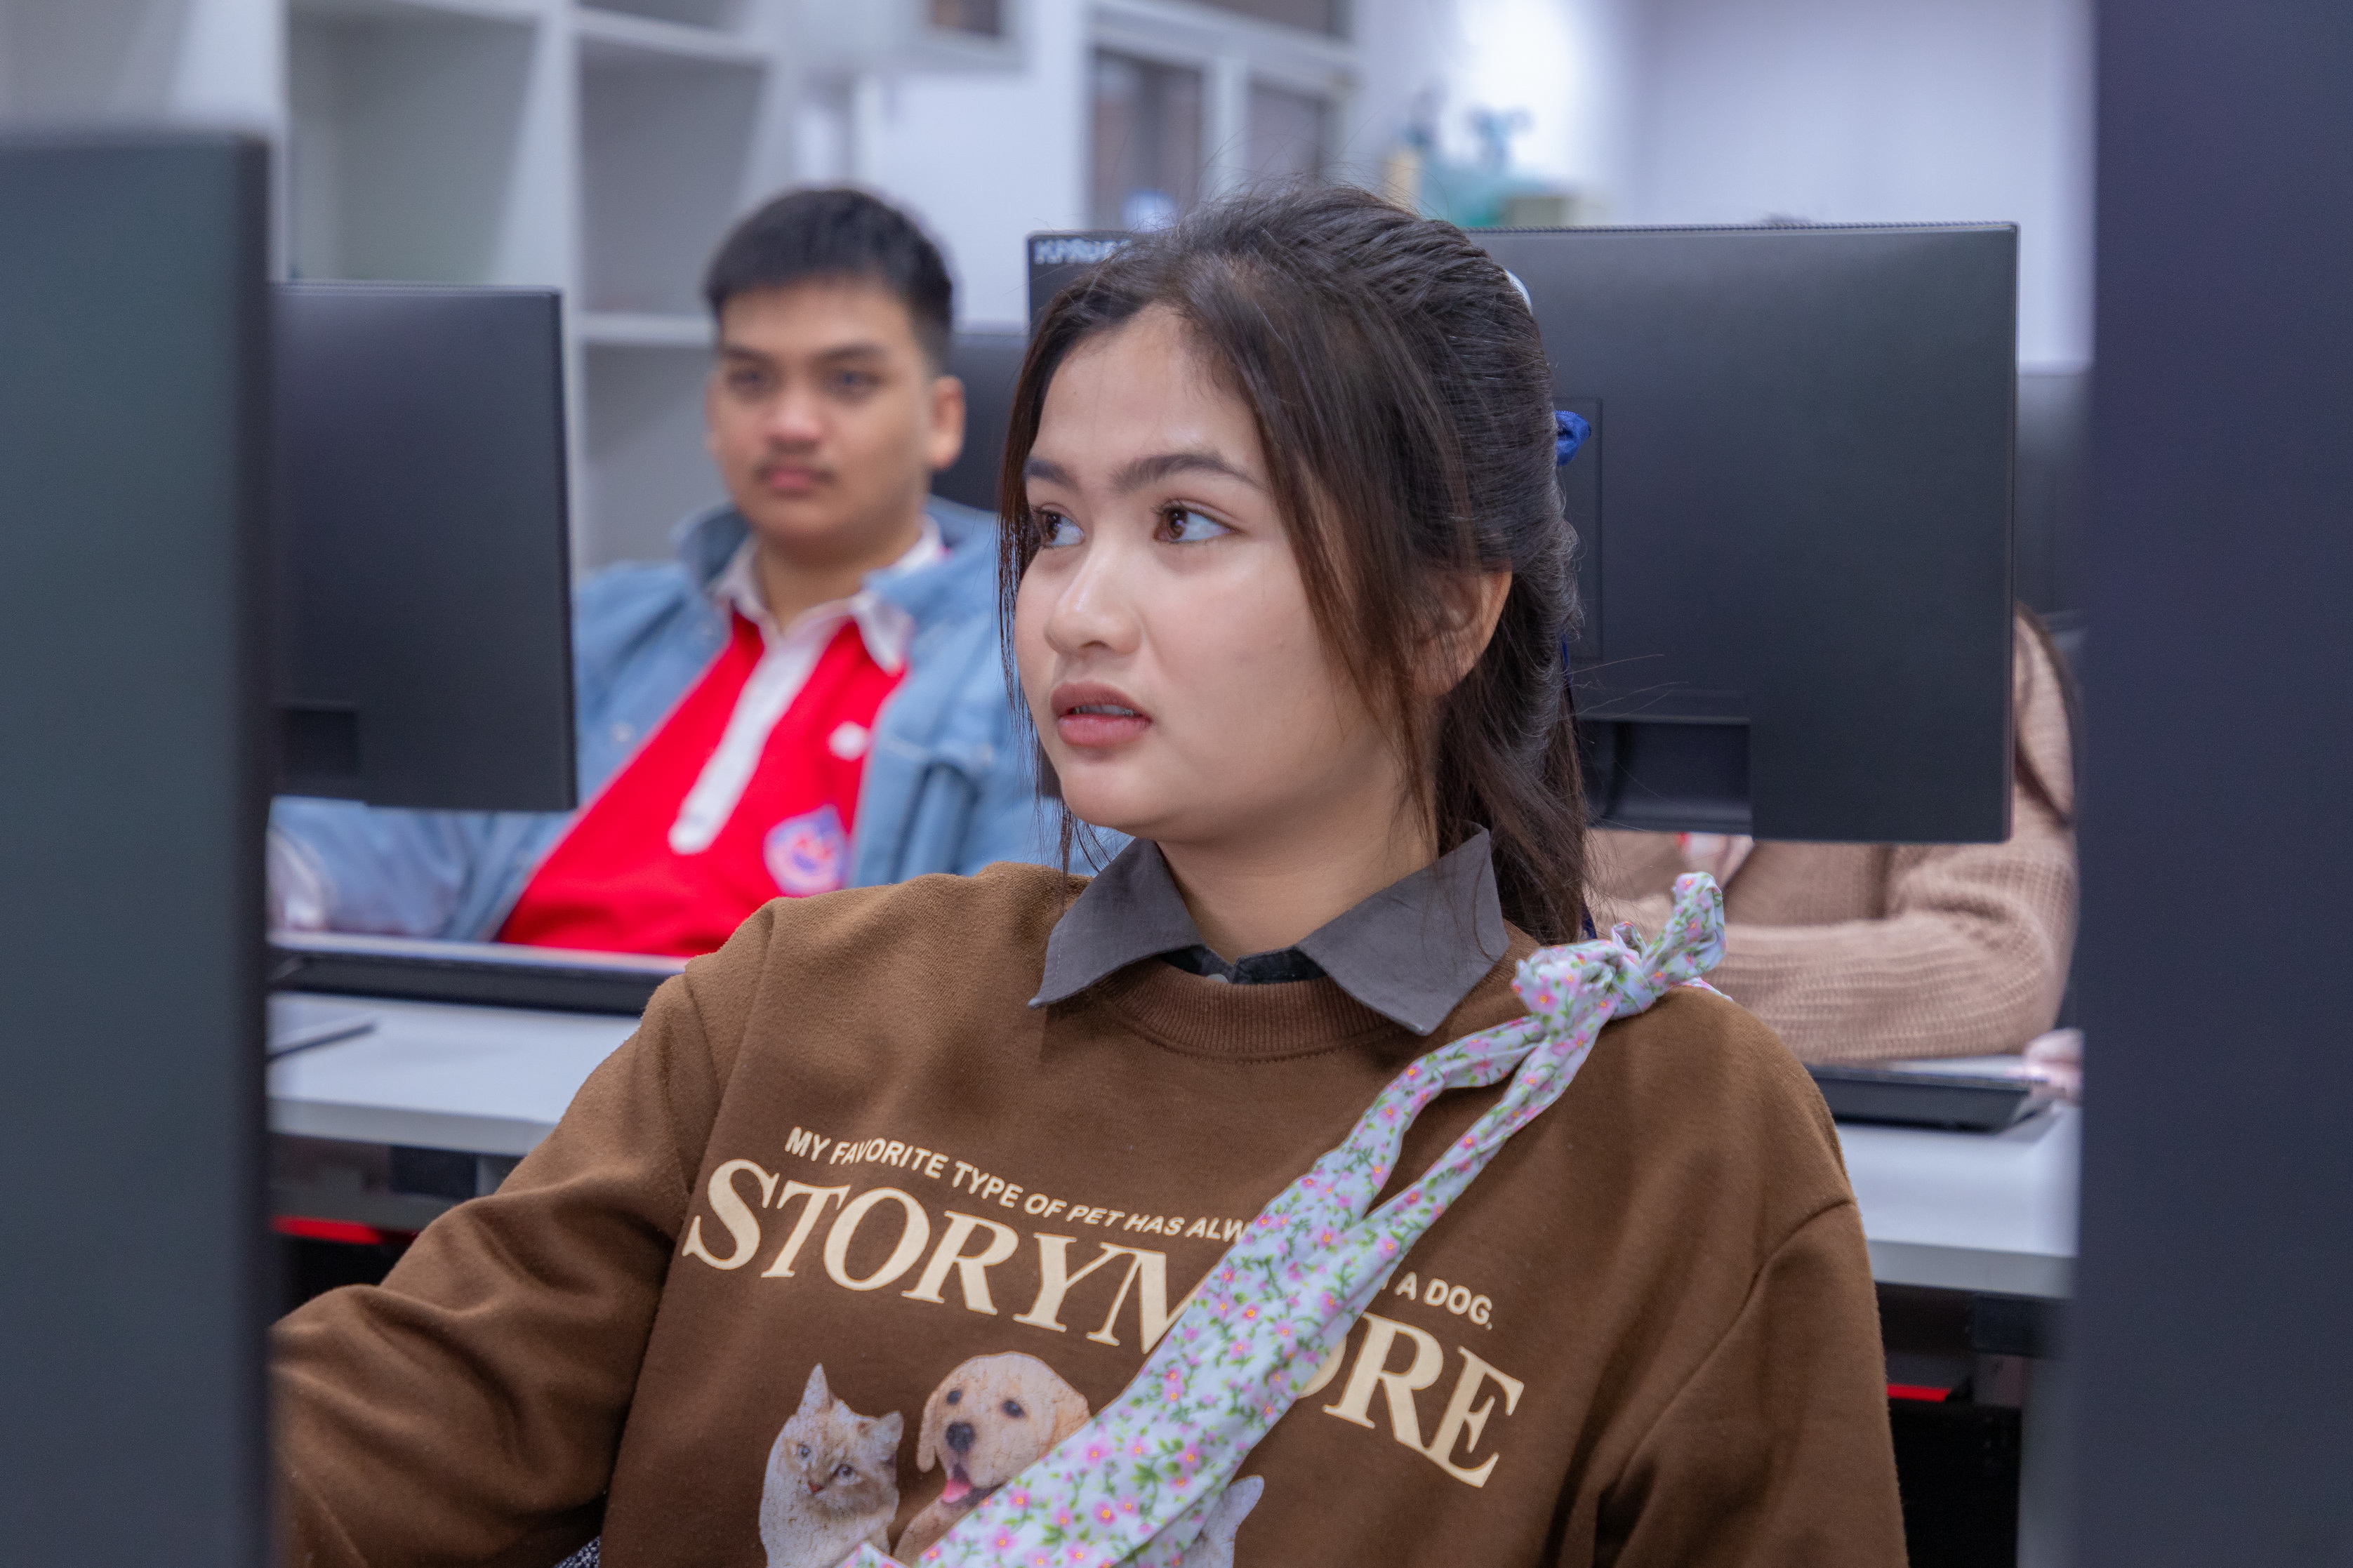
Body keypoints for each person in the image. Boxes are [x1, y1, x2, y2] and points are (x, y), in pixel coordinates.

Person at [272, 187, 1905, 1566]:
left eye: (1184, 522)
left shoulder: (1673, 1139)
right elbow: (387, 1420)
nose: (1073, 610)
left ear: (1443, 614)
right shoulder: (800, 998)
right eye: (1053, 525)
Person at [269, 188, 1054, 957]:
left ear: (942, 419)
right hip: (495, 1022)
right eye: (752, 380)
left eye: (848, 381)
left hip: (771, 1045)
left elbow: (999, 968)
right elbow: (397, 846)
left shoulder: (1025, 661)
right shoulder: (593, 625)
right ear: (713, 411)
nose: (790, 424)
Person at [1586, 612, 2078, 1062]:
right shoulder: (1582, 640)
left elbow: (2000, 965)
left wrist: (1636, 959)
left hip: (1832, 1119)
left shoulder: (1960, 647)